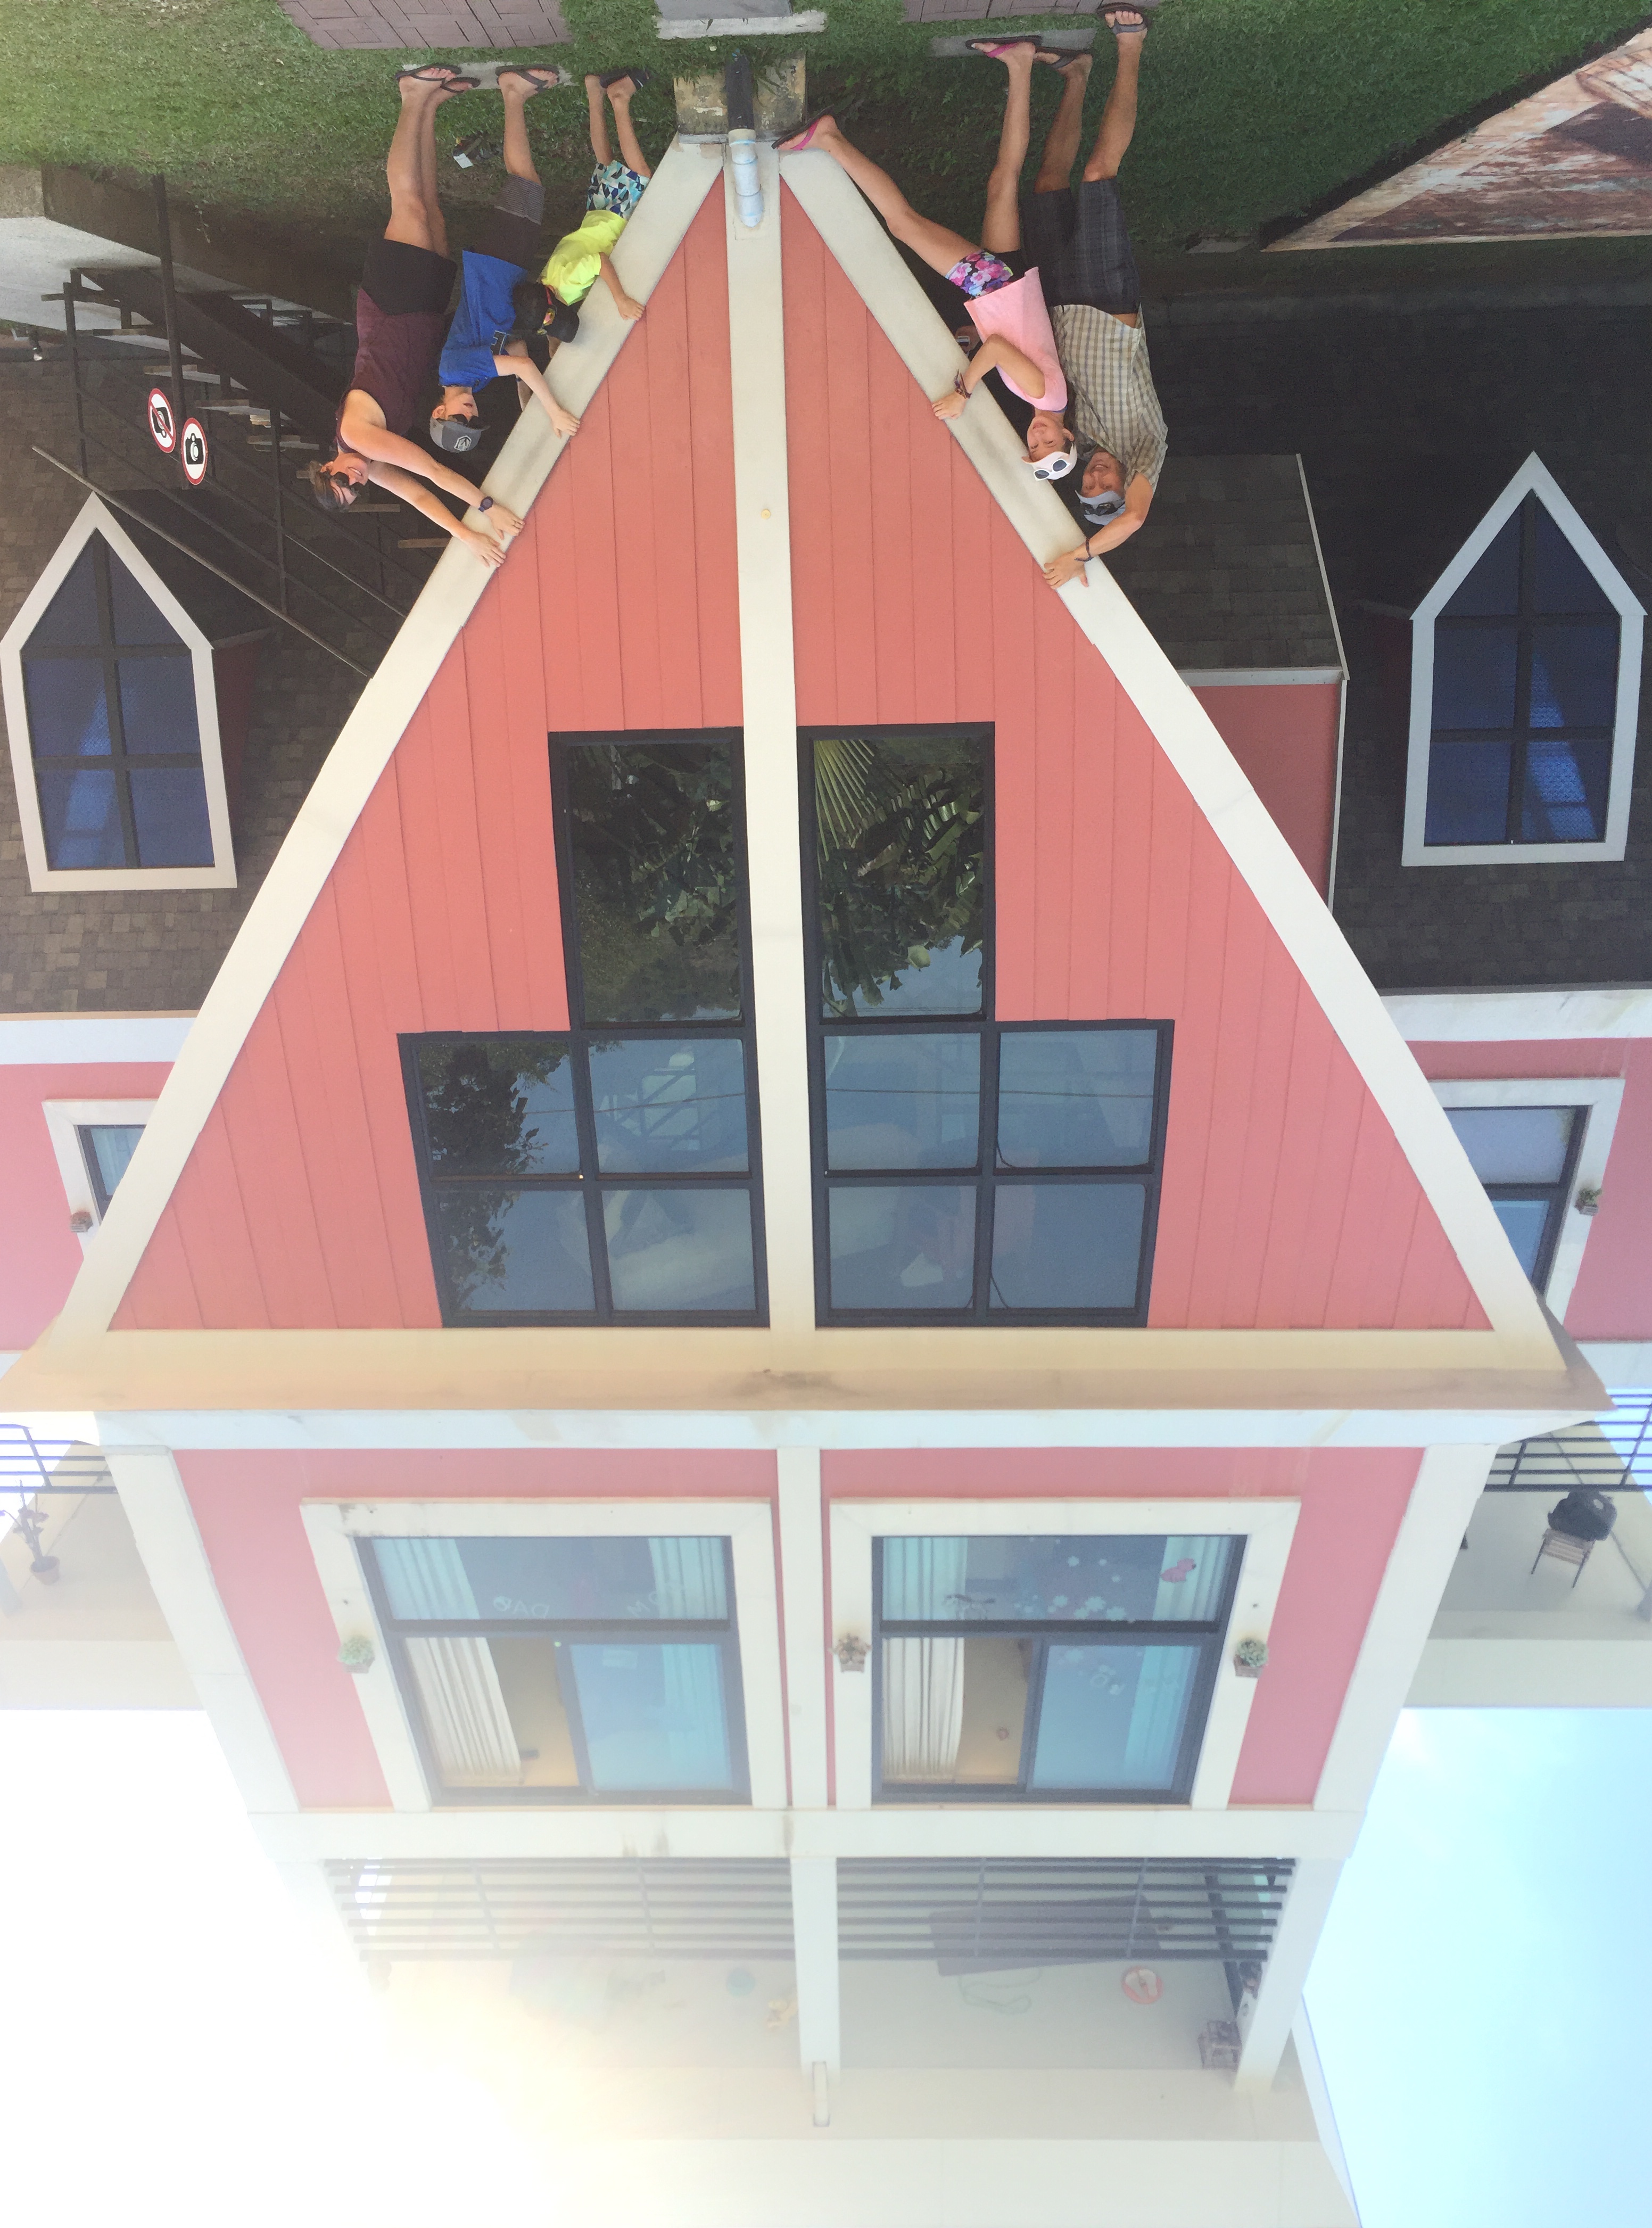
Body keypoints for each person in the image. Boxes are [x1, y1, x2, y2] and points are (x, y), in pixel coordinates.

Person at [973, 17, 1168, 588]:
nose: (1097, 478)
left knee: (1047, 185)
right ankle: (1130, 45)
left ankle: (1076, 75)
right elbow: (1133, 520)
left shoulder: (1076, 440)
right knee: (1099, 173)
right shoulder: (1147, 452)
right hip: (1108, 302)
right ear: (1126, 485)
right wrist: (1081, 556)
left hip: (1059, 301)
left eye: (1088, 486)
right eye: (1107, 487)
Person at [304, 65, 523, 568]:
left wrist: (487, 508)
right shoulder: (372, 461)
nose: (356, 480)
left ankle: (411, 96)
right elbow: (420, 496)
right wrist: (466, 535)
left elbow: (431, 471)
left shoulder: (358, 438)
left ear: (328, 467)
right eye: (355, 491)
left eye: (343, 481)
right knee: (431, 211)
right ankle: (431, 106)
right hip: (418, 317)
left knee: (408, 206)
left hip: (390, 310)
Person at [777, 103, 1069, 461]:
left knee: (999, 182)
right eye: (1050, 443)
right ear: (1067, 434)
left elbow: (1015, 342)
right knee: (903, 224)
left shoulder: (1052, 399)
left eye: (1034, 447)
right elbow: (996, 349)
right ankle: (829, 137)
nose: (1038, 437)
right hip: (994, 286)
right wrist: (962, 394)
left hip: (1009, 285)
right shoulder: (1044, 396)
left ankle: (1020, 70)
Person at [429, 65, 583, 455]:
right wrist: (525, 401)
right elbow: (515, 351)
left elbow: (524, 367)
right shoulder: (473, 382)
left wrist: (553, 411)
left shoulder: (457, 371)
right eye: (474, 422)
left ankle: (512, 92)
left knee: (525, 181)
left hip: (494, 270)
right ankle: (515, 96)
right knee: (527, 183)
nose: (470, 414)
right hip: (504, 273)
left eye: (459, 419)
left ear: (439, 411)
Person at [538, 73, 656, 328]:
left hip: (611, 223)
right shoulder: (546, 279)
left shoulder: (567, 285)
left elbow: (600, 262)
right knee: (605, 160)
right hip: (593, 218)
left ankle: (620, 99)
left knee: (642, 175)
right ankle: (594, 92)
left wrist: (621, 299)